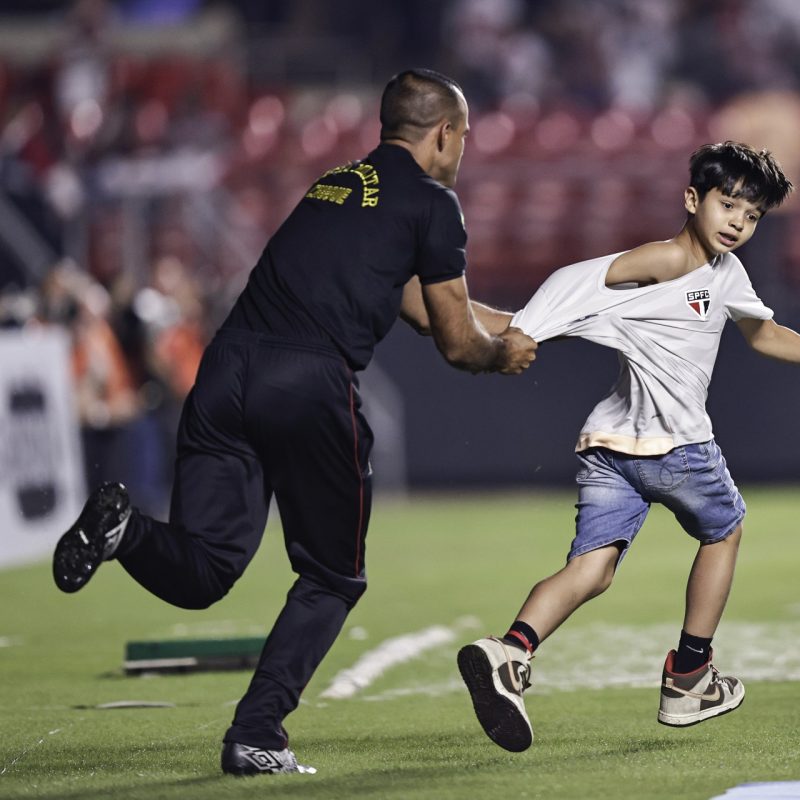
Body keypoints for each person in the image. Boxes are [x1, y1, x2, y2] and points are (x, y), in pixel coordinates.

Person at [51, 69, 537, 775]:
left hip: (226, 371)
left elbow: (420, 306)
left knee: (204, 570)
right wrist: (501, 359)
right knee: (333, 577)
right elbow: (459, 344)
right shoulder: (435, 203)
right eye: (463, 134)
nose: (464, 149)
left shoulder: (338, 184)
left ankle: (123, 529)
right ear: (443, 134)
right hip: (306, 382)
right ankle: (257, 734)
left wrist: (522, 325)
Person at [456, 141, 800, 752]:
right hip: (677, 448)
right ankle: (689, 676)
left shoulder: (723, 271)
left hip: (608, 445)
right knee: (725, 529)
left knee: (592, 570)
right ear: (691, 199)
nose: (737, 220)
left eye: (752, 214)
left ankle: (510, 651)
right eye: (727, 203)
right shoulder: (661, 261)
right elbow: (581, 282)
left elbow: (759, 331)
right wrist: (525, 323)